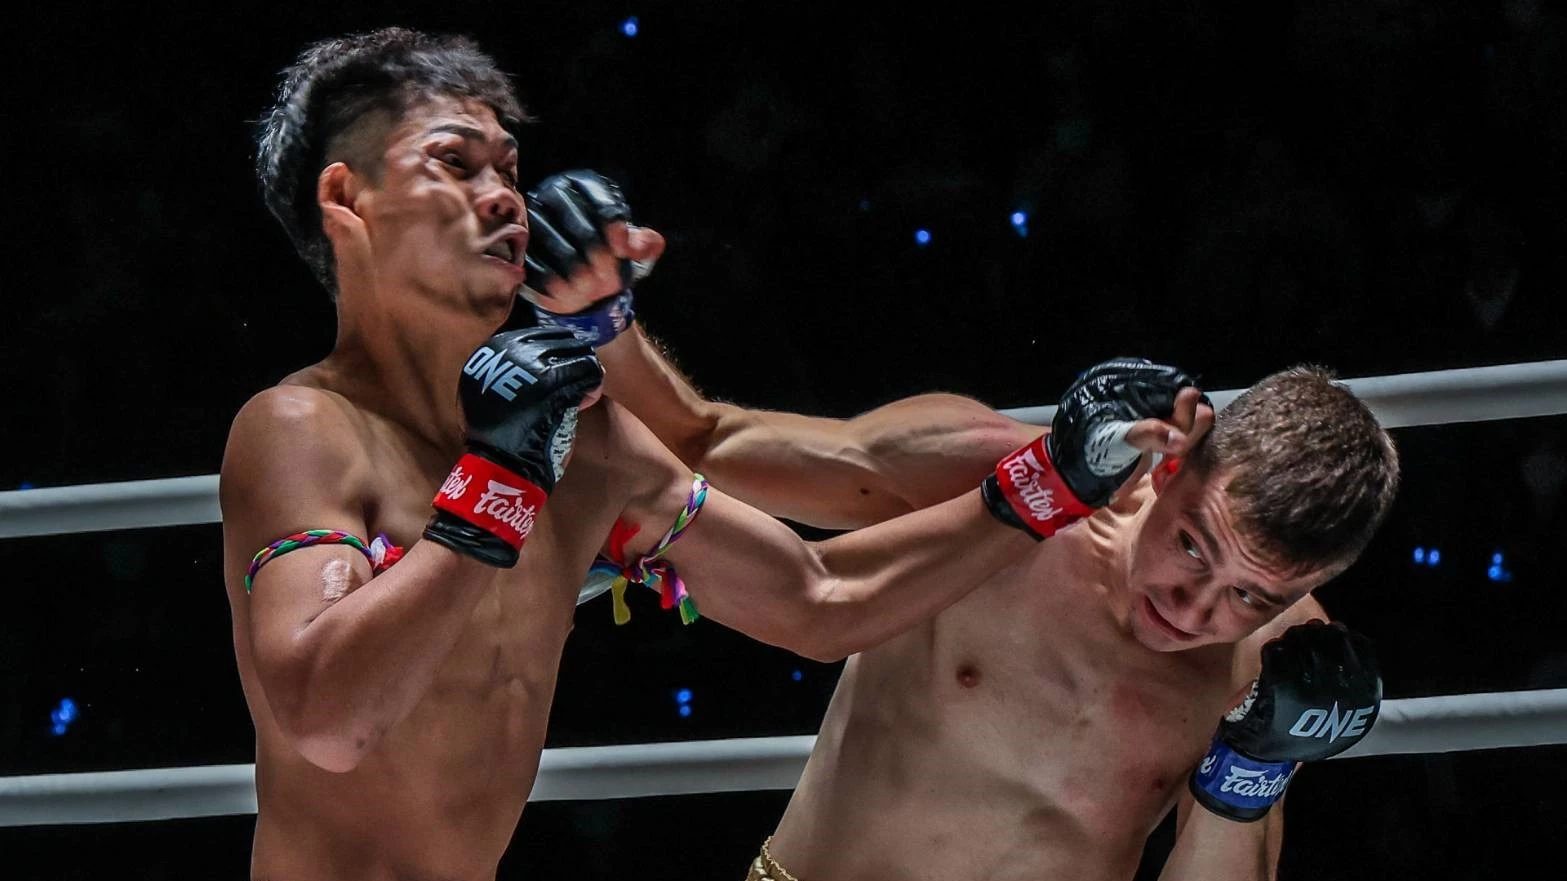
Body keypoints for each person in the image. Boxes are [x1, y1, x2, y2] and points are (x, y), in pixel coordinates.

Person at [223, 28, 1203, 881]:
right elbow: (329, 721)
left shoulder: (584, 439)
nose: (503, 199)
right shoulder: (303, 427)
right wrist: (498, 483)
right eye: (454, 163)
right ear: (348, 197)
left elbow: (818, 597)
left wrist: (1049, 480)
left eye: (508, 171)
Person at [520, 172, 1398, 881]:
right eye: (1193, 546)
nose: (1193, 606)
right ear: (1171, 463)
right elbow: (708, 441)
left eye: (1248, 595)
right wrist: (599, 318)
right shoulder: (991, 471)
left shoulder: (1277, 661)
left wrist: (1250, 770)